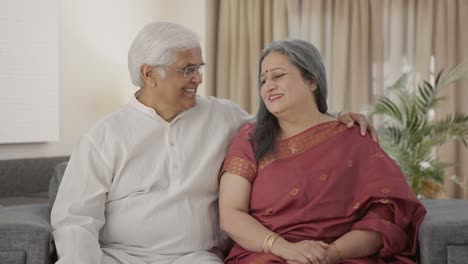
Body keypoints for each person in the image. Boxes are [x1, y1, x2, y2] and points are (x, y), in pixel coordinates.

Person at [51, 22, 376, 264]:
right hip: (119, 257)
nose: (198, 79)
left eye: (199, 68)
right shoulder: (103, 137)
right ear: (149, 74)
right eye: (187, 70)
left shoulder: (223, 116)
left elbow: (285, 119)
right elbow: (75, 219)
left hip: (195, 257)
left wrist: (336, 116)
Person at [219, 39, 427, 264]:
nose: (268, 86)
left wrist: (330, 254)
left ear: (311, 81)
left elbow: (386, 216)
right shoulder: (250, 139)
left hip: (343, 256)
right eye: (263, 80)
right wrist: (285, 248)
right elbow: (231, 213)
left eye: (278, 76)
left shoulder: (353, 138)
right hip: (267, 253)